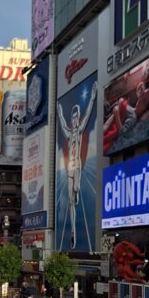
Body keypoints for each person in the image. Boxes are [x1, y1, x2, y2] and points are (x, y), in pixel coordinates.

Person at [57, 81, 97, 249]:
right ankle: (73, 230)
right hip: (70, 169)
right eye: (72, 118)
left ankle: (77, 190)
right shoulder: (68, 131)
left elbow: (88, 114)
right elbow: (61, 121)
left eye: (75, 117)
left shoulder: (79, 130)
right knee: (72, 201)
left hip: (78, 166)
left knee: (75, 191)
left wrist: (93, 96)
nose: (74, 120)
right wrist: (59, 110)